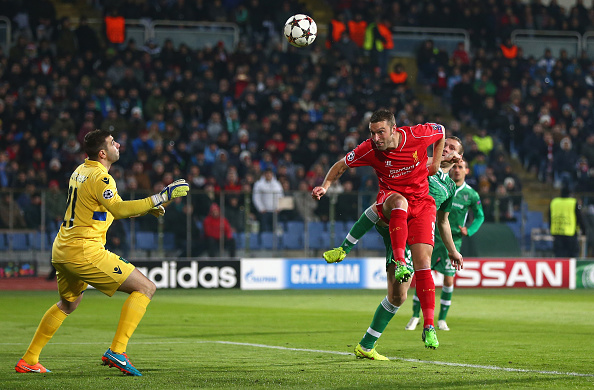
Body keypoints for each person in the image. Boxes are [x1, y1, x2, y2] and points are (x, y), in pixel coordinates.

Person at [15, 129, 189, 376]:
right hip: (85, 250)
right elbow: (117, 209)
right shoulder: (102, 178)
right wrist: (160, 197)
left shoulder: (80, 171)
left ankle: (29, 359)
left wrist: (146, 209)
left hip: (63, 249)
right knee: (146, 288)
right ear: (102, 152)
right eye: (112, 142)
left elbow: (104, 209)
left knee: (69, 303)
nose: (118, 144)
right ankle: (118, 350)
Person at [312, 109, 462, 356]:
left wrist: (436, 163)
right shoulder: (369, 149)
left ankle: (420, 328)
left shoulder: (417, 139)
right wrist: (325, 186)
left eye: (380, 132)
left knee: (399, 295)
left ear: (394, 129)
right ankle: (355, 250)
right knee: (397, 202)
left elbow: (440, 131)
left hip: (421, 207)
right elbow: (341, 165)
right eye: (372, 133)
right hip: (391, 206)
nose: (376, 138)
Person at [406, 158, 484, 332]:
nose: (457, 170)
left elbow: (480, 216)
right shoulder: (441, 184)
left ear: (466, 171)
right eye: (455, 166)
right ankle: (415, 316)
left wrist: (469, 231)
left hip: (453, 240)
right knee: (423, 276)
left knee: (448, 279)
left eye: (461, 167)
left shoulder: (471, 194)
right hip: (432, 235)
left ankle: (441, 319)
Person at [549, 186, 584, 257]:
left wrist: (550, 229)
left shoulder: (554, 202)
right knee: (572, 259)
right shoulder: (573, 203)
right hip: (570, 235)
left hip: (557, 234)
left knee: (559, 259)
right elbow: (580, 218)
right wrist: (584, 230)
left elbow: (549, 217)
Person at [252, 168, 283, 232]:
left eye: (270, 173)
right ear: (264, 174)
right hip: (264, 212)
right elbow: (256, 198)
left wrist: (279, 208)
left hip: (275, 212)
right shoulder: (259, 184)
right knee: (265, 229)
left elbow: (281, 196)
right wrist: (261, 208)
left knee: (275, 229)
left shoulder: (277, 185)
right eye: (267, 173)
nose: (268, 175)